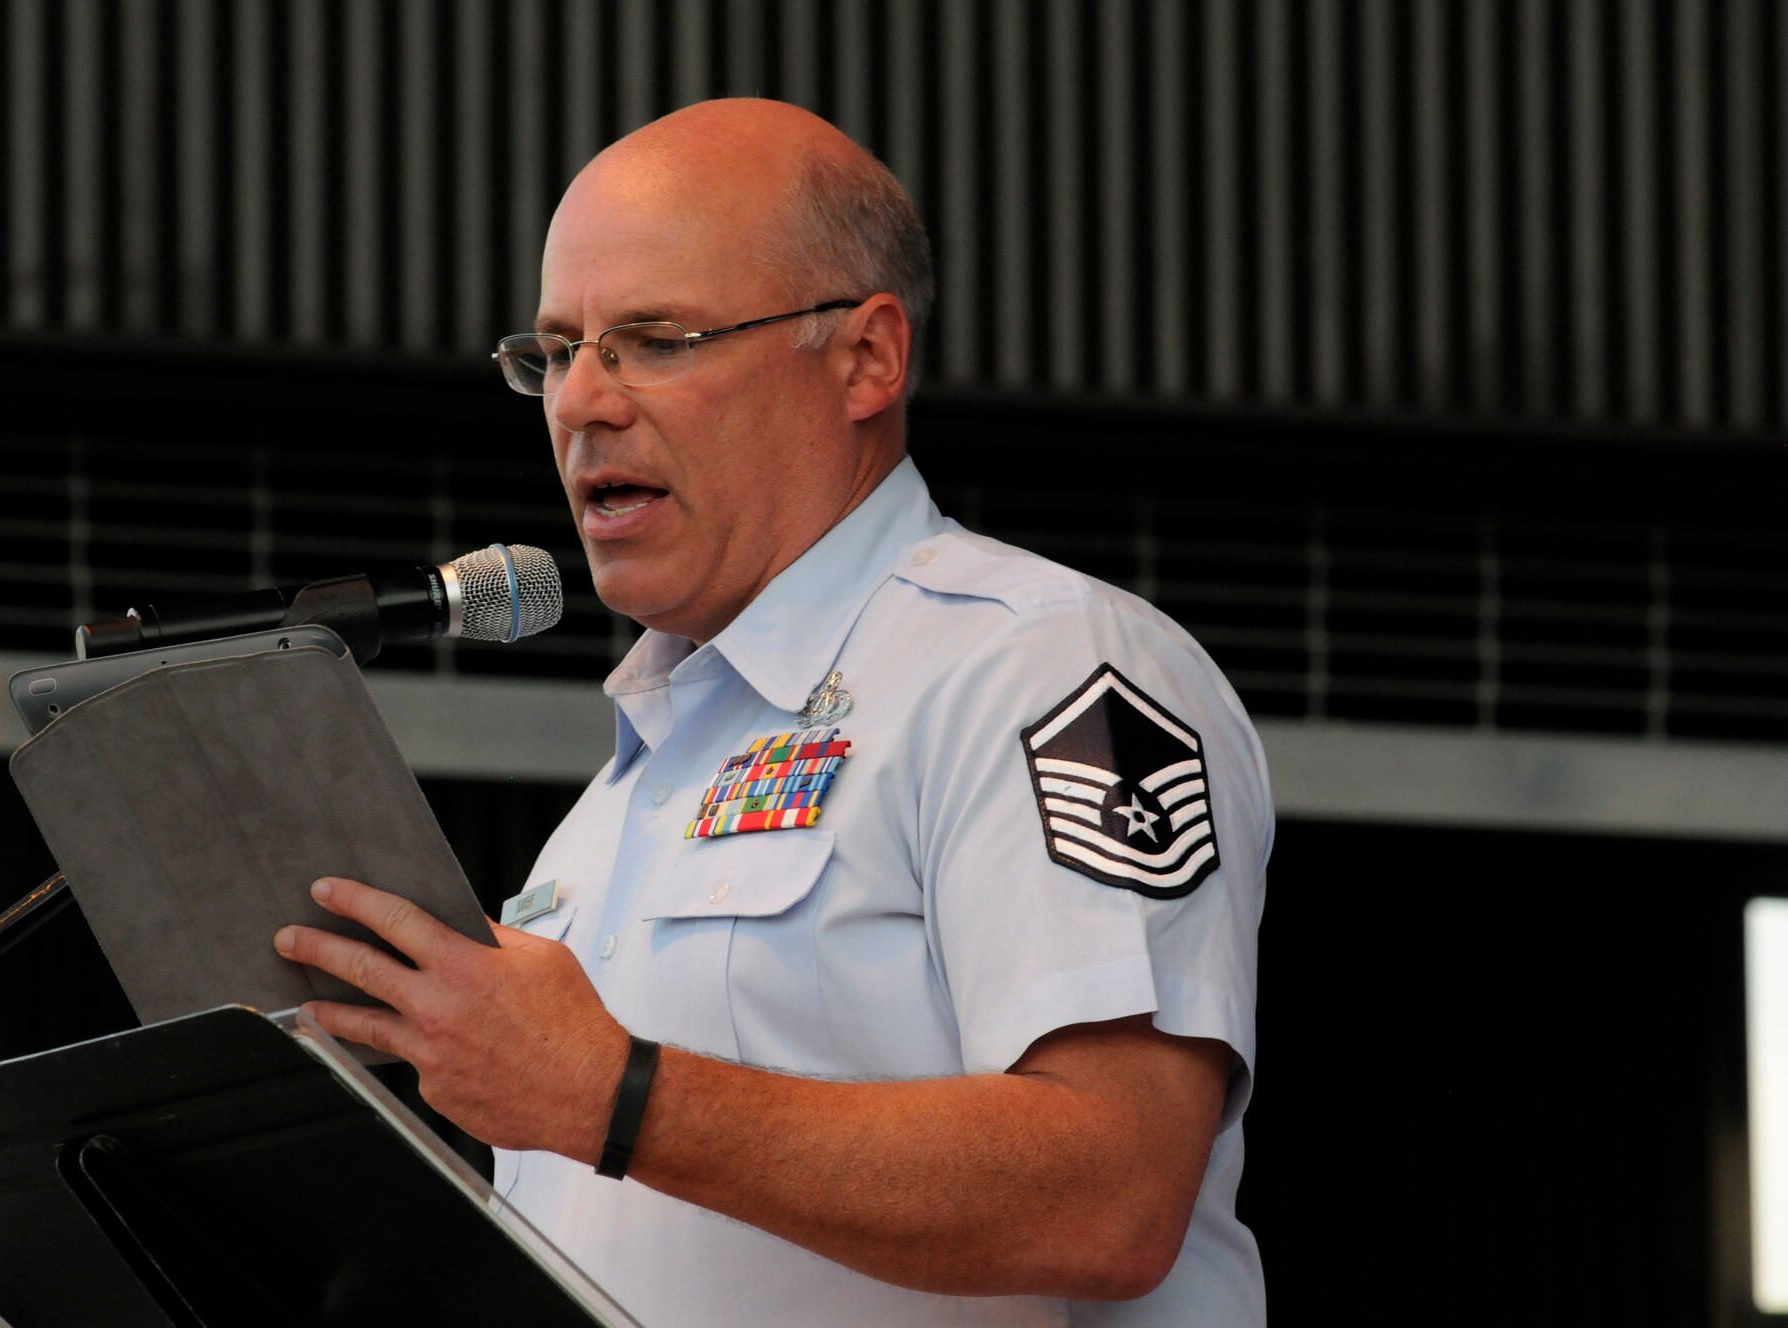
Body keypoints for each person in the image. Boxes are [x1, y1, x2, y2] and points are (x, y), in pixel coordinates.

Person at [274, 98, 1269, 1326]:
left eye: (654, 338)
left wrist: (612, 1091)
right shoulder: (611, 808)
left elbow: (1110, 1190)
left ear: (865, 357)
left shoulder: (1043, 668)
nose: (582, 400)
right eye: (553, 352)